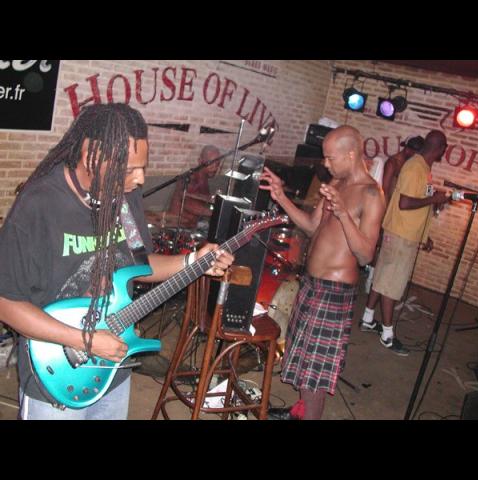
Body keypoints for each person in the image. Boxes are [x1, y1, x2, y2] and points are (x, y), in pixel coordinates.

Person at [0, 103, 234, 420]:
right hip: (57, 372)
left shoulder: (124, 197)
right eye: (128, 169)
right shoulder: (39, 205)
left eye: (142, 167)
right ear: (91, 156)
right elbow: (6, 303)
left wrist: (194, 260)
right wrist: (85, 340)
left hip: (114, 366)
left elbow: (138, 264)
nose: (139, 179)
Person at [259, 125, 385, 420]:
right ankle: (299, 411)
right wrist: (281, 197)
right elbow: (312, 226)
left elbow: (366, 255)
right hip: (311, 284)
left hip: (334, 291)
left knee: (316, 371)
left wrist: (343, 214)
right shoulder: (336, 183)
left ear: (350, 154)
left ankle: (309, 415)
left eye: (330, 158)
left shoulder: (371, 194)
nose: (325, 164)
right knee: (303, 358)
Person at [360, 130, 450, 356]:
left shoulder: (424, 169)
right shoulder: (414, 168)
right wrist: (433, 199)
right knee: (392, 286)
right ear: (439, 148)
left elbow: (419, 201)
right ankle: (387, 335)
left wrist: (425, 233)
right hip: (401, 235)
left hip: (405, 233)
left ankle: (368, 319)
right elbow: (405, 203)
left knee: (383, 278)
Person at [364, 135, 425, 293]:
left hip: (395, 210)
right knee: (380, 245)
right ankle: (371, 278)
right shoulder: (393, 162)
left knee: (385, 248)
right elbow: (384, 190)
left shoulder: (410, 165)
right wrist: (384, 213)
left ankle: (374, 278)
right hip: (387, 208)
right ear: (409, 149)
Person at [166, 145, 221, 230]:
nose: (214, 168)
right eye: (210, 163)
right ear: (200, 161)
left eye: (217, 164)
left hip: (191, 226)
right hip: (177, 227)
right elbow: (188, 204)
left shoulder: (204, 179)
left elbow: (200, 200)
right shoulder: (190, 178)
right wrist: (216, 213)